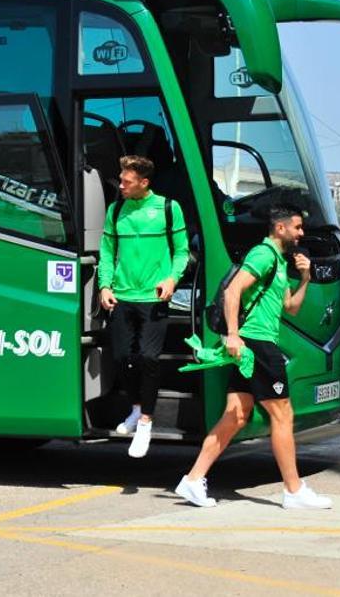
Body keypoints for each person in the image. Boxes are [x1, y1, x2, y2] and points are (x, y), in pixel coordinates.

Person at [174, 203, 332, 510]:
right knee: (282, 414)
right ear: (280, 228)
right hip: (257, 344)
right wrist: (233, 335)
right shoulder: (263, 255)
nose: (301, 233)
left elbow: (291, 307)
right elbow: (233, 291)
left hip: (255, 344)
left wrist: (305, 278)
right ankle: (294, 490)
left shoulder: (278, 261)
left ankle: (193, 480)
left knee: (236, 415)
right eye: (297, 227)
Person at [99, 155, 190, 459]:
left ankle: (146, 423)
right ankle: (136, 409)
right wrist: (105, 285)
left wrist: (172, 278)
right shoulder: (116, 210)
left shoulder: (168, 208)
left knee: (149, 358)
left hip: (154, 298)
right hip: (122, 296)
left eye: (127, 181)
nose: (121, 186)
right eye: (121, 180)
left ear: (144, 182)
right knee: (123, 357)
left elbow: (182, 251)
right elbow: (107, 252)